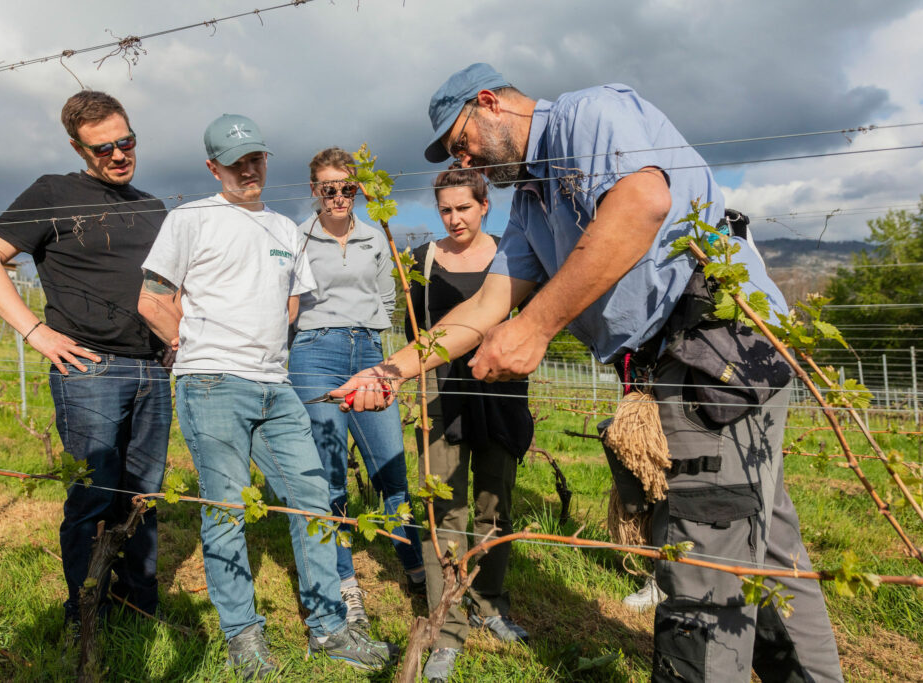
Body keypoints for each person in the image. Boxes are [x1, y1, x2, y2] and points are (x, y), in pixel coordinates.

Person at [332, 63, 844, 682]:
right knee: (764, 546)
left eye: (460, 138)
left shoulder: (587, 116)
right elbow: (489, 305)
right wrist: (392, 369)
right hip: (683, 364)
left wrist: (536, 327)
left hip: (721, 350)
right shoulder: (531, 202)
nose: (462, 155)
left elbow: (642, 201)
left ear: (490, 103)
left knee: (700, 562)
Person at [137, 115, 392, 679]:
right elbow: (153, 298)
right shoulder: (190, 219)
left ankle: (328, 627)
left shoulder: (283, 229)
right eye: (235, 162)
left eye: (256, 158)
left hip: (276, 386)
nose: (249, 169)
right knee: (227, 508)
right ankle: (243, 635)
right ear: (213, 168)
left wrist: (266, 347)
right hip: (211, 383)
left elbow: (294, 303)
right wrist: (190, 343)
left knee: (314, 499)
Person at [0, 90, 171, 629]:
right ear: (79, 149)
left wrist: (175, 342)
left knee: (143, 496)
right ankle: (87, 612)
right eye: (103, 149)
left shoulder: (152, 207)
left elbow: (165, 289)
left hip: (153, 368)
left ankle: (137, 606)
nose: (119, 154)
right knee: (95, 494)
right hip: (89, 370)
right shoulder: (52, 192)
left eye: (126, 141)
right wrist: (35, 332)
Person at [407, 168, 534, 682]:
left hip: (502, 393)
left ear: (485, 206)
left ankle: (490, 602)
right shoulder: (423, 260)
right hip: (442, 396)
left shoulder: (513, 255)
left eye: (464, 207)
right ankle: (446, 625)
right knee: (444, 507)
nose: (455, 218)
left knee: (494, 503)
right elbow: (417, 328)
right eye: (446, 210)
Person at [288, 147, 424, 629]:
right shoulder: (297, 239)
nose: (340, 196)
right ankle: (344, 585)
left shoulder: (374, 238)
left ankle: (418, 569)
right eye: (330, 188)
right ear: (314, 191)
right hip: (314, 352)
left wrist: (379, 350)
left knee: (391, 467)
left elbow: (387, 299)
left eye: (349, 187)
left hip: (369, 352)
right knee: (329, 474)